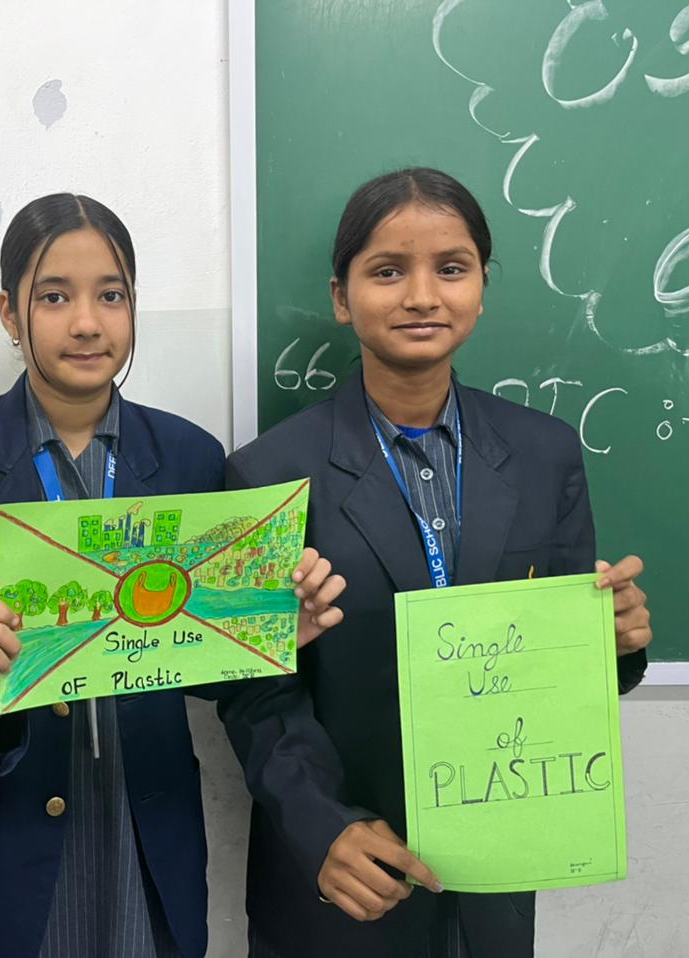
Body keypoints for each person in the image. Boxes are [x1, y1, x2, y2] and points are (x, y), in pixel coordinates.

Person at [0, 193, 346, 958]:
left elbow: (204, 664)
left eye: (111, 295)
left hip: (145, 828)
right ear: (9, 313)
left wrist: (270, 633)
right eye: (54, 297)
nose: (87, 322)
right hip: (2, 840)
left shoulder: (190, 459)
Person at [227, 167, 653, 958]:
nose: (422, 296)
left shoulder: (544, 455)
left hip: (495, 880)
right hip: (345, 881)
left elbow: (562, 670)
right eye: (388, 271)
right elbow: (254, 693)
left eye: (451, 268)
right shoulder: (268, 475)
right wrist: (324, 829)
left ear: (482, 288)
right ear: (342, 297)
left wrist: (614, 645)